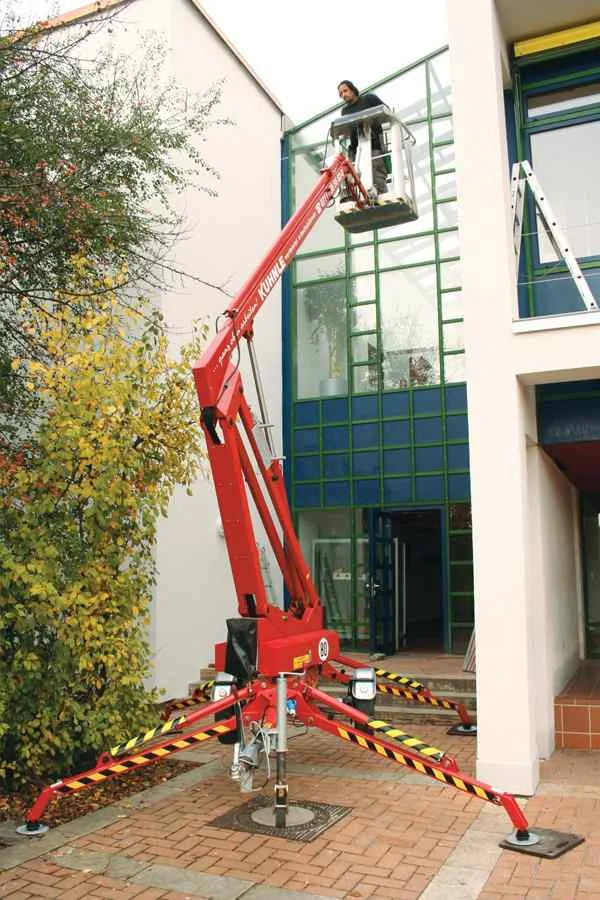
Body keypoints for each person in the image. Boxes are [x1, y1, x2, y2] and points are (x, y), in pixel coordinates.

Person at [337, 80, 388, 195]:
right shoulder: (345, 111)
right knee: (355, 179)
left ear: (352, 90)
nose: (343, 95)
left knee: (377, 175)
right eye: (341, 94)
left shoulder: (369, 99)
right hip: (357, 151)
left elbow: (386, 111)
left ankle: (383, 195)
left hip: (374, 146)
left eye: (345, 91)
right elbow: (347, 130)